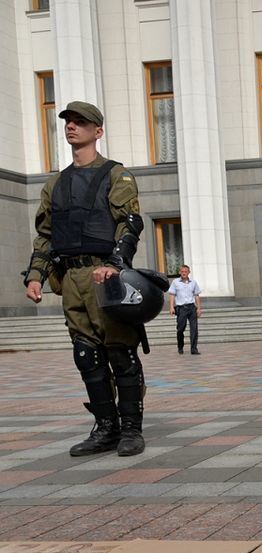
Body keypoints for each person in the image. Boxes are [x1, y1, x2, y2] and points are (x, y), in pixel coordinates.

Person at [23, 101, 148, 457]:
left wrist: (115, 262)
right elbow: (45, 235)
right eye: (68, 123)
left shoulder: (115, 174)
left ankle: (131, 430)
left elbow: (130, 223)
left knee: (120, 352)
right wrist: (36, 277)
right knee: (86, 354)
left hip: (105, 274)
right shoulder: (55, 184)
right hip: (71, 278)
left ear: (98, 131)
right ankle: (105, 428)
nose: (71, 127)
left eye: (80, 122)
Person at [168, 264, 202, 355]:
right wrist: (171, 307)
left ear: (189, 272)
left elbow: (196, 295)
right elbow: (172, 295)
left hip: (191, 308)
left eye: (185, 272)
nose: (184, 273)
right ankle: (180, 346)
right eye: (182, 272)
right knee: (180, 329)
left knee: (194, 329)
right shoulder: (175, 282)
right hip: (181, 308)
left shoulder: (193, 282)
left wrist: (199, 308)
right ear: (179, 272)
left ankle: (194, 349)